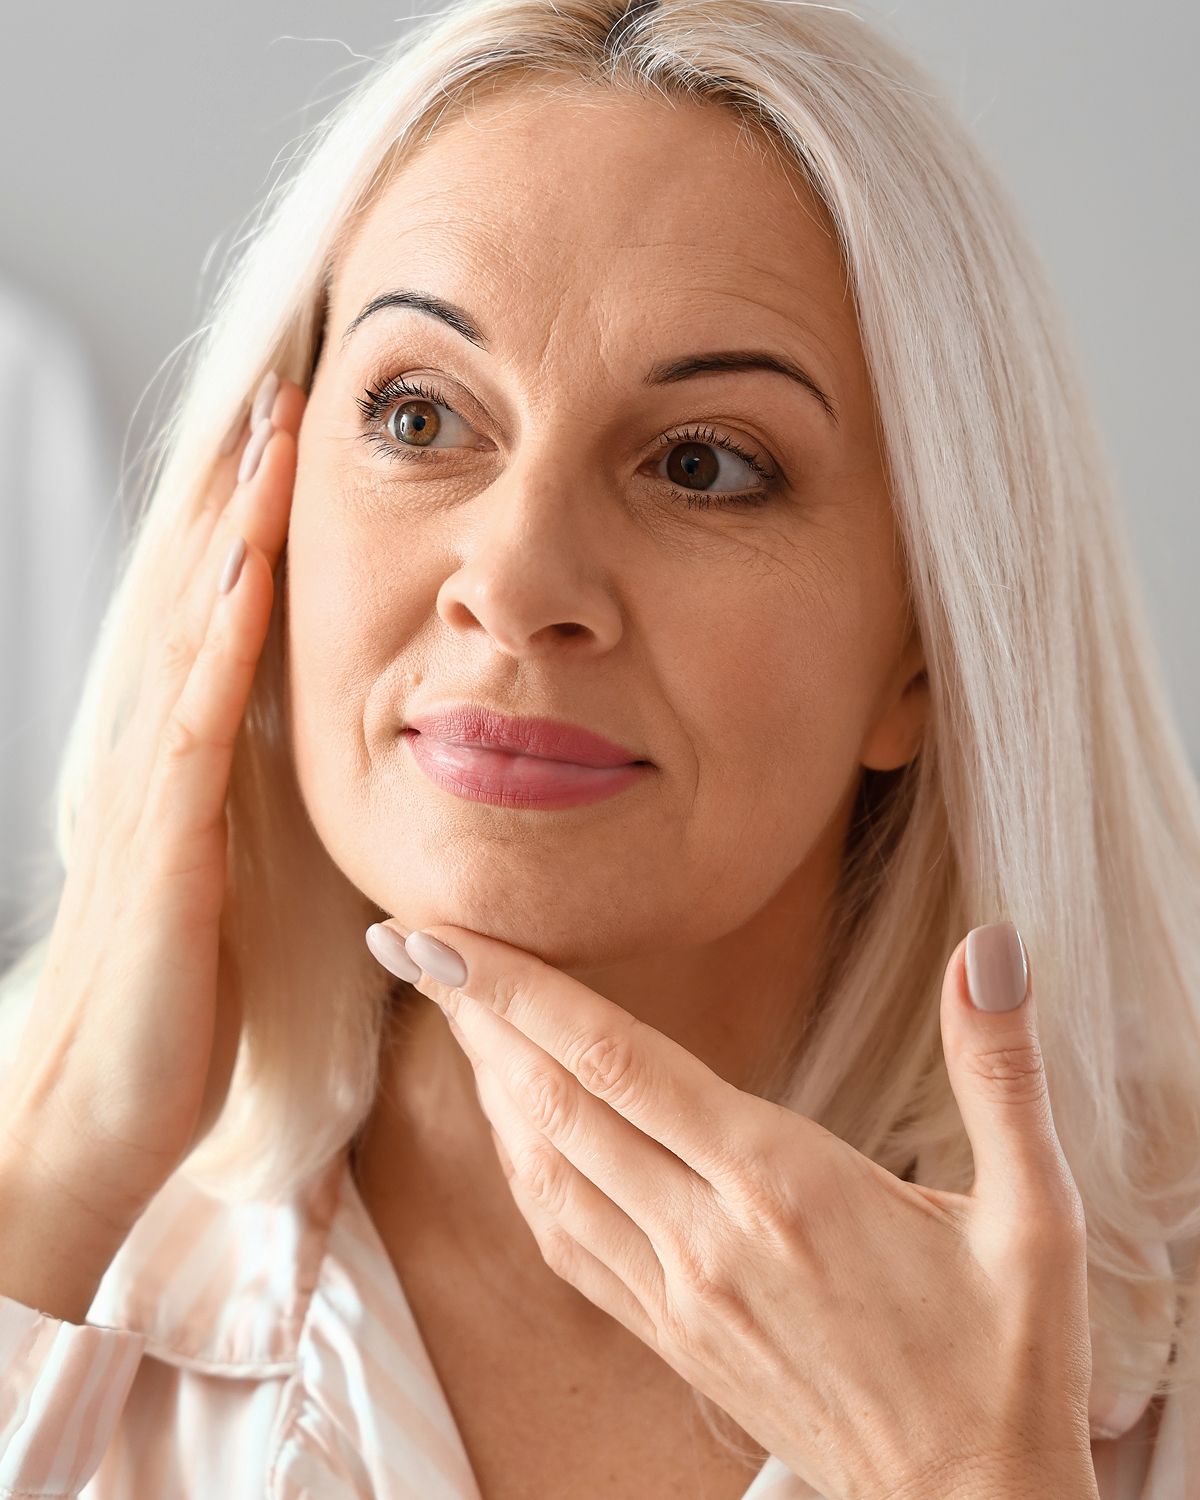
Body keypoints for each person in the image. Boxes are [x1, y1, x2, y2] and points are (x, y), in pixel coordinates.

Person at [1, 1, 1197, 1496]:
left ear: (924, 646)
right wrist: (48, 1181)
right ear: (267, 505)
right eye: (422, 415)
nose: (514, 581)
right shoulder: (48, 1219)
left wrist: (974, 1469)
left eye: (705, 464)